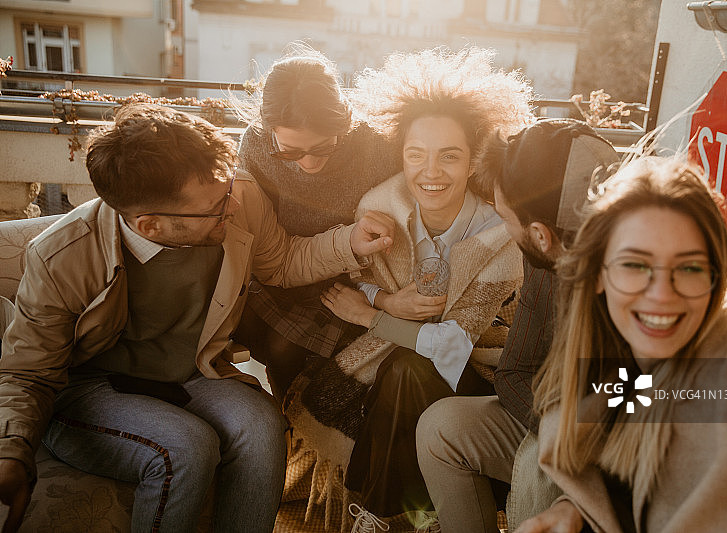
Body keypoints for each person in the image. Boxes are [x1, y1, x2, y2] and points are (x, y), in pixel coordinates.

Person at [0, 103, 394, 533]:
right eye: (215, 206)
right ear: (150, 226)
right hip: (93, 389)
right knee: (186, 448)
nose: (232, 206)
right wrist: (11, 450)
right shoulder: (61, 256)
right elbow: (29, 373)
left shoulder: (234, 193)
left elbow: (281, 262)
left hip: (194, 373)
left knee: (262, 426)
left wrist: (349, 242)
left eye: (227, 190)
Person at [282, 47, 533, 532]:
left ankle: (377, 516)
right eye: (416, 154)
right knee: (402, 372)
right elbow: (362, 283)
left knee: (409, 369)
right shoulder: (381, 205)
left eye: (449, 156)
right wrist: (384, 301)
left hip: (482, 369)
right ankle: (417, 517)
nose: (430, 172)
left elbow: (455, 347)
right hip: (397, 356)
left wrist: (369, 317)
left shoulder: (497, 234)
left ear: (474, 158)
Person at [518, 156, 727, 533]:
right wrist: (578, 511)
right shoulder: (628, 372)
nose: (661, 295)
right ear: (599, 274)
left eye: (689, 267)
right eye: (635, 265)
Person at [416, 118, 620, 533]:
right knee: (441, 426)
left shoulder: (646, 282)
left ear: (541, 235)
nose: (504, 228)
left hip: (631, 441)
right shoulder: (543, 261)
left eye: (505, 216)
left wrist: (572, 438)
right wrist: (551, 423)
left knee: (537, 466)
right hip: (557, 416)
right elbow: (515, 371)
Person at [233, 44, 401, 402]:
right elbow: (262, 244)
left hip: (357, 277)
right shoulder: (257, 145)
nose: (308, 163)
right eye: (290, 152)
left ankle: (309, 427)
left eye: (323, 147)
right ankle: (293, 426)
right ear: (268, 130)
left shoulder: (375, 146)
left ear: (344, 119)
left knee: (288, 350)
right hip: (283, 267)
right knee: (266, 342)